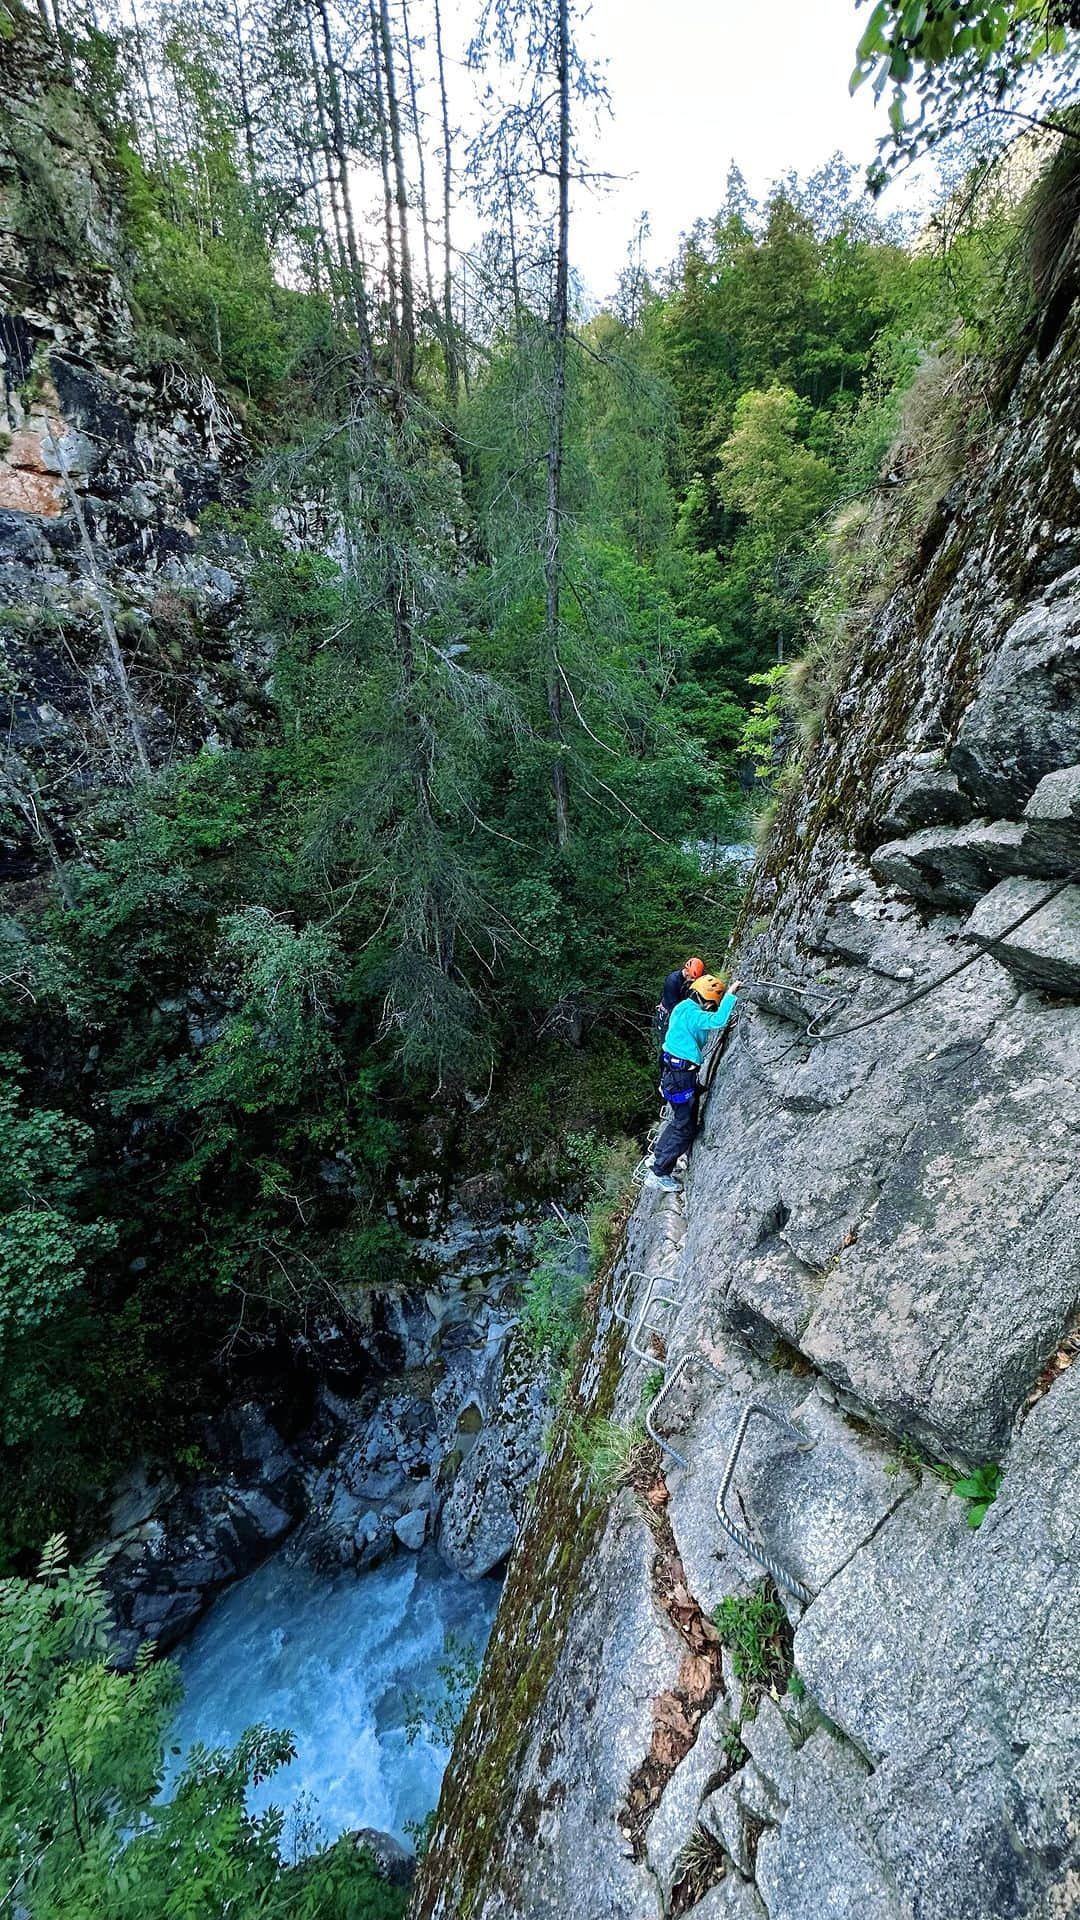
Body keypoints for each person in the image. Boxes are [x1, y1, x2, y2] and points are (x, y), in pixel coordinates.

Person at [645, 972, 742, 1192]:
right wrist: (730, 995)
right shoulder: (696, 1015)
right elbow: (717, 1020)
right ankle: (660, 1172)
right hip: (681, 1076)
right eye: (712, 1004)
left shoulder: (682, 1008)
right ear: (708, 1001)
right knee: (685, 1128)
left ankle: (658, 1157)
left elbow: (702, 1026)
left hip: (672, 1072)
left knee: (679, 1120)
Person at [653, 956, 705, 1052]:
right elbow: (674, 1007)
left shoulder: (688, 981)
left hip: (678, 1012)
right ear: (687, 970)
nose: (693, 980)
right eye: (692, 977)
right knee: (668, 1044)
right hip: (667, 1016)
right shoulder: (672, 981)